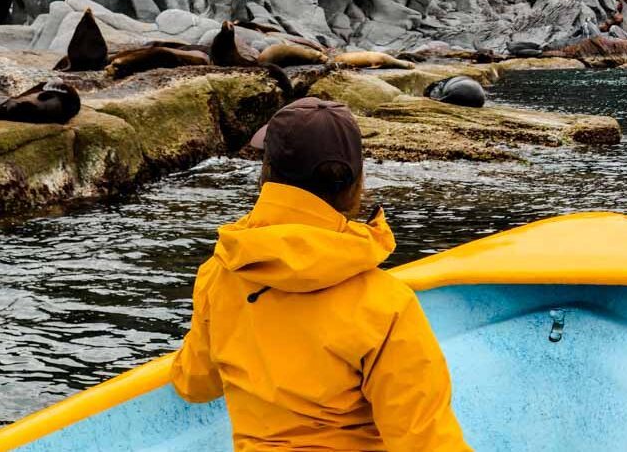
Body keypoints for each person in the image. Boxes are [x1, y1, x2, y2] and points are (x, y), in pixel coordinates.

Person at [170, 96, 471, 451]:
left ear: (267, 177)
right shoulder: (385, 305)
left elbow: (195, 383)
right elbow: (426, 443)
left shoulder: (221, 273)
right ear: (357, 185)